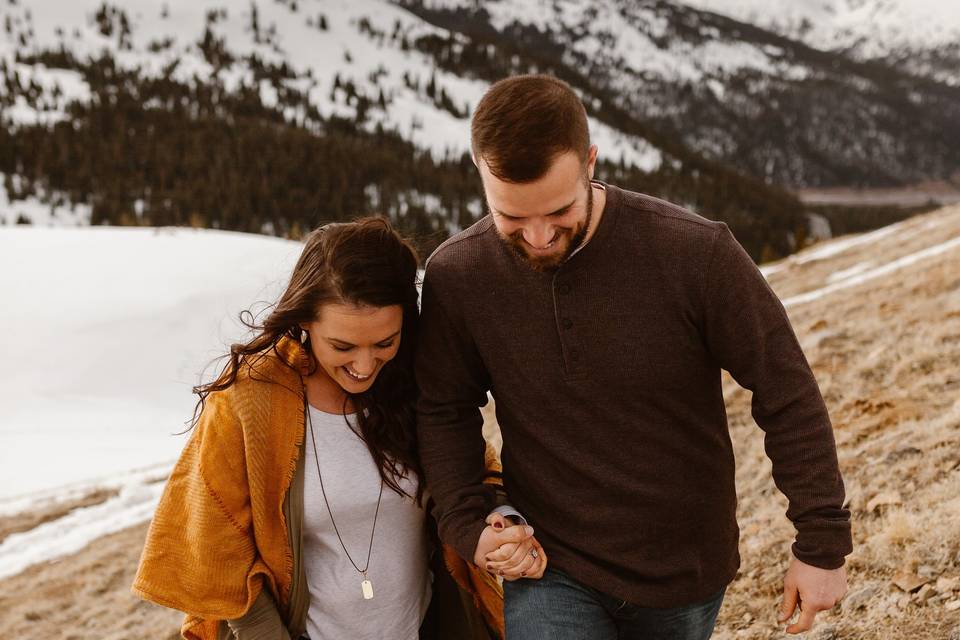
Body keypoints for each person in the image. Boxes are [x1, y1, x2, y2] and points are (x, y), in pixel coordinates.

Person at [415, 75, 852, 640]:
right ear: (480, 176)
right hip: (550, 563)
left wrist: (821, 544)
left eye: (558, 210)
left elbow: (785, 391)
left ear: (590, 162)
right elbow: (443, 409)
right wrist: (468, 524)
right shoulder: (459, 275)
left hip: (683, 568)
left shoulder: (696, 253)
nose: (540, 236)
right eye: (513, 218)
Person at [132, 218, 543, 640]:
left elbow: (473, 480)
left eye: (385, 343)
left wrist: (499, 522)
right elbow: (215, 547)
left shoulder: (419, 382)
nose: (364, 367)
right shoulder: (251, 400)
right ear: (305, 320)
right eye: (342, 347)